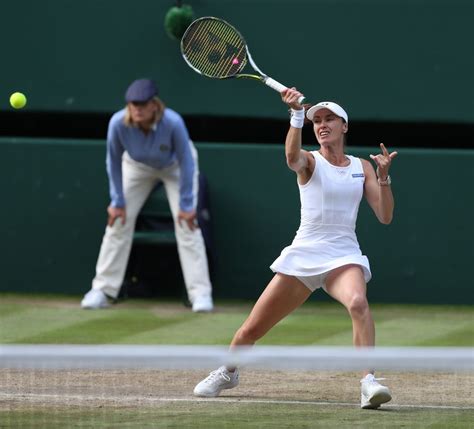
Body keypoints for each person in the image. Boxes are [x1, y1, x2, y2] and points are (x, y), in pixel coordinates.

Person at [193, 88, 398, 409]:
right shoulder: (310, 161)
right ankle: (228, 371)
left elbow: (385, 216)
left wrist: (384, 179)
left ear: (344, 126)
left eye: (329, 118)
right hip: (304, 255)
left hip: (343, 256)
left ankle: (368, 381)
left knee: (358, 302)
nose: (322, 124)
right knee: (250, 329)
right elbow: (291, 158)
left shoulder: (363, 167)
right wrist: (296, 116)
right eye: (317, 120)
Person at [81, 78, 213, 313]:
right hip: (136, 166)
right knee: (117, 221)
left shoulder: (173, 122)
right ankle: (102, 289)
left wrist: (186, 205)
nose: (137, 109)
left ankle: (200, 294)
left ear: (154, 104)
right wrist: (117, 201)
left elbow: (186, 162)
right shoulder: (118, 124)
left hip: (175, 167)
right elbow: (112, 161)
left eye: (142, 104)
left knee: (187, 225)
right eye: (133, 104)